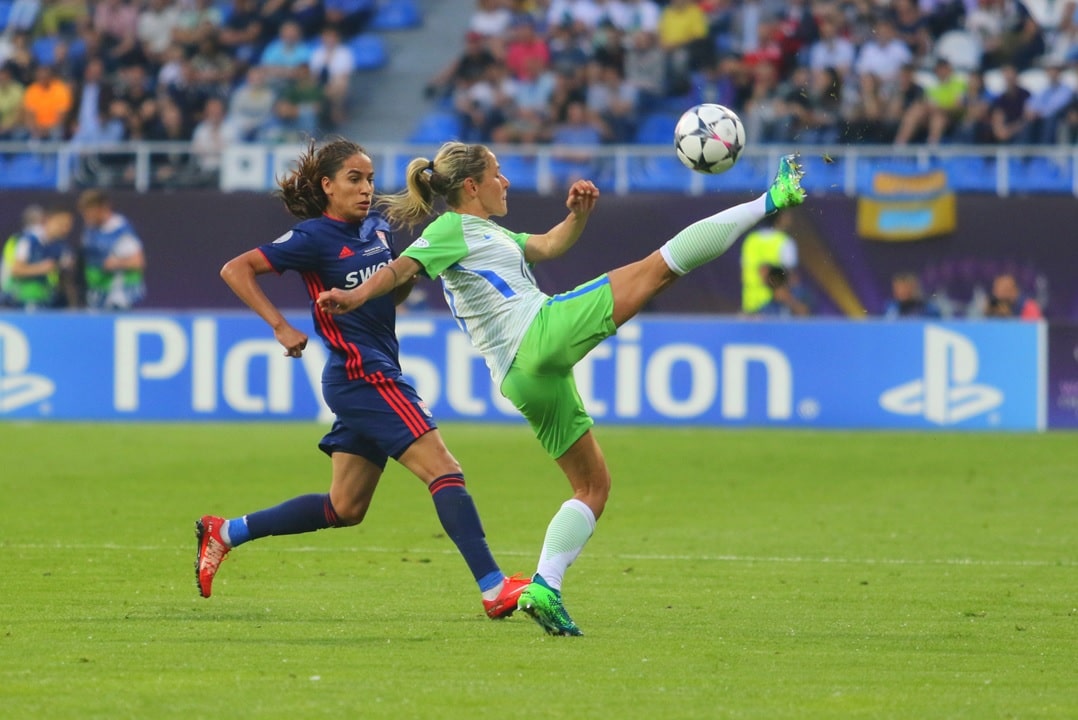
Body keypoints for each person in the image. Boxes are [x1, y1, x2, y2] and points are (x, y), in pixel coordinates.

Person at [316, 142, 807, 636]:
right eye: (497, 173)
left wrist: (577, 216)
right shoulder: (448, 229)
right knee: (659, 268)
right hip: (538, 332)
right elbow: (401, 270)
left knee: (593, 487)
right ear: (471, 186)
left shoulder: (488, 232)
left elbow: (550, 245)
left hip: (523, 377)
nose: (504, 181)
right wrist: (354, 296)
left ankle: (545, 587)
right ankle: (772, 199)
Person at [195, 138, 528, 620]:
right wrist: (280, 325)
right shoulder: (313, 237)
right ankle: (493, 587)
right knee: (444, 471)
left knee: (345, 507)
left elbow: (381, 297)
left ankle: (224, 532)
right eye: (354, 179)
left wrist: (405, 279)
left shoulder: (375, 229)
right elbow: (236, 269)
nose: (366, 189)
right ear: (327, 186)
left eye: (370, 179)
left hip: (374, 369)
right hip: (361, 374)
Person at [77, 189, 146, 310]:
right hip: (97, 293)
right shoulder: (90, 228)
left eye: (88, 211)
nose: (85, 216)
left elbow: (138, 262)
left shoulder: (119, 230)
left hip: (117, 296)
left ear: (102, 208)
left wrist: (116, 263)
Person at [1, 204, 75, 310]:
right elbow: (16, 270)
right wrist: (41, 268)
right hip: (18, 300)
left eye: (67, 225)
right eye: (61, 224)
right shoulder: (28, 240)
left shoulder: (61, 246)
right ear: (47, 220)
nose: (64, 229)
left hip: (45, 299)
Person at [740, 212, 798, 314]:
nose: (789, 219)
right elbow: (791, 279)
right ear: (779, 218)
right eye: (786, 215)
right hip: (776, 308)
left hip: (751, 307)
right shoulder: (785, 241)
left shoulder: (750, 240)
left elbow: (744, 274)